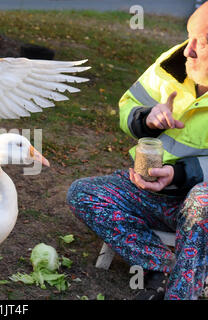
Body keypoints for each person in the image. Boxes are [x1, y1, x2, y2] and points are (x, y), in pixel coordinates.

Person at [67, 3, 208, 300]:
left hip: (199, 204)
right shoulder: (171, 64)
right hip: (151, 191)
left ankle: (179, 293)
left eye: (203, 42)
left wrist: (181, 174)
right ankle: (164, 263)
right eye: (189, 36)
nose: (188, 50)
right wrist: (146, 117)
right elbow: (128, 105)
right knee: (82, 193)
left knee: (201, 201)